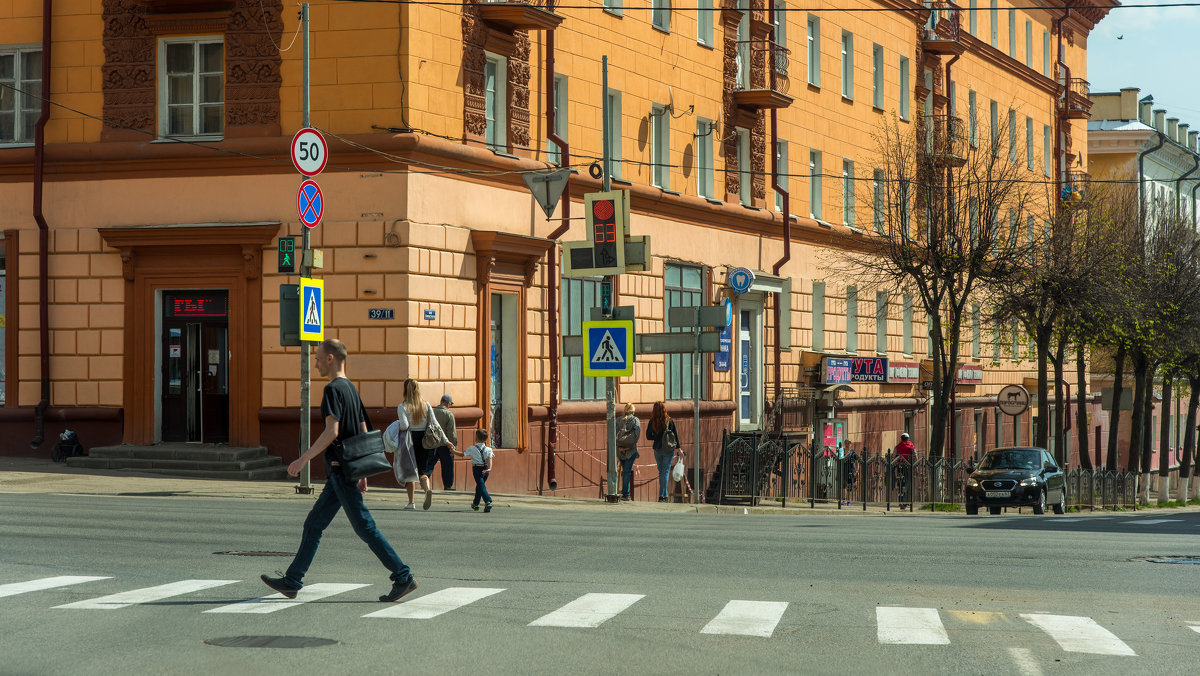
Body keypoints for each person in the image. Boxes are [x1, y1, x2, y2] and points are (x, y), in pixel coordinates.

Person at [261, 338, 418, 604]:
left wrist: (303, 460)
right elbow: (362, 430)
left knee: (365, 528)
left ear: (331, 358)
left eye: (319, 357)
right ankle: (292, 581)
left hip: (340, 470)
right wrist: (363, 470)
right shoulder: (351, 389)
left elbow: (332, 431)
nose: (316, 361)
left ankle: (402, 576)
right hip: (345, 472)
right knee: (314, 524)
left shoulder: (333, 389)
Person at [395, 379, 454, 511]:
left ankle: (411, 503)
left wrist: (397, 425)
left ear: (405, 390)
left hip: (409, 440)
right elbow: (435, 424)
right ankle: (427, 489)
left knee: (410, 471)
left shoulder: (403, 406)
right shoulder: (426, 405)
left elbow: (404, 426)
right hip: (425, 440)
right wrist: (446, 441)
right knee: (422, 470)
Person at [644, 401, 680, 503]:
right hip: (668, 449)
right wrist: (679, 448)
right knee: (665, 472)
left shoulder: (652, 421)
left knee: (661, 472)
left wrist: (656, 436)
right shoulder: (669, 420)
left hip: (658, 449)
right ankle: (663, 496)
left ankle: (663, 495)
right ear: (664, 409)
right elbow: (675, 436)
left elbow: (648, 436)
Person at [454, 428, 495, 512]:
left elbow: (462, 454)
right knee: (480, 486)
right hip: (486, 469)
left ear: (476, 438)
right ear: (486, 439)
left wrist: (453, 451)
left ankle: (488, 501)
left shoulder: (472, 448)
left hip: (477, 469)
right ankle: (476, 504)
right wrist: (489, 469)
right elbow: (490, 459)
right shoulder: (489, 449)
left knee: (481, 486)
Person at [429, 394, 458, 490]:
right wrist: (453, 447)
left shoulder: (432, 412)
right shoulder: (449, 414)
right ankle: (448, 486)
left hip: (432, 443)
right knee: (447, 466)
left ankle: (424, 481)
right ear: (447, 403)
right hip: (445, 445)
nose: (450, 406)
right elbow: (451, 432)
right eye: (450, 404)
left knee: (428, 465)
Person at [616, 403, 641, 501]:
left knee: (624, 470)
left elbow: (614, 434)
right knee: (627, 471)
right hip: (631, 450)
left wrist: (621, 446)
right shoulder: (635, 420)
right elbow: (637, 434)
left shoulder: (618, 420)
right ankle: (626, 494)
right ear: (633, 410)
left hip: (619, 450)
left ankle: (625, 492)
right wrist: (629, 445)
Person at [895, 433, 915, 508]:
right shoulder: (911, 446)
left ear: (901, 439)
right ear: (908, 438)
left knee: (900, 483)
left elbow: (894, 455)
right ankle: (907, 501)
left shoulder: (898, 446)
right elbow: (915, 455)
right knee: (908, 483)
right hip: (908, 467)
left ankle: (901, 500)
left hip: (900, 466)